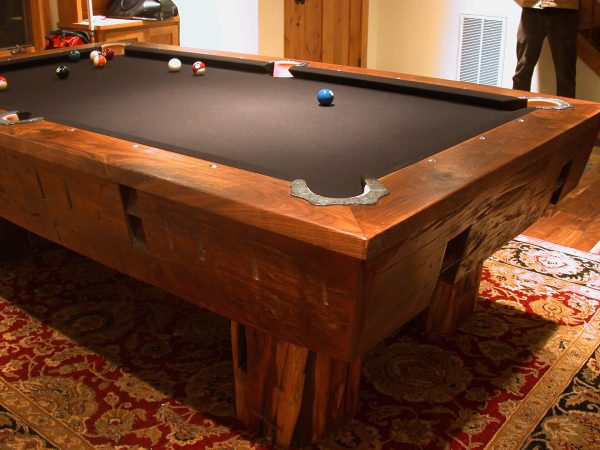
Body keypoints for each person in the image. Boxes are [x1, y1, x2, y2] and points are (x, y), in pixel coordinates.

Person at [512, 0, 580, 98]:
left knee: (565, 73)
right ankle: (517, 109)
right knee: (522, 70)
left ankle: (566, 112)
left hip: (565, 11)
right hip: (531, 9)